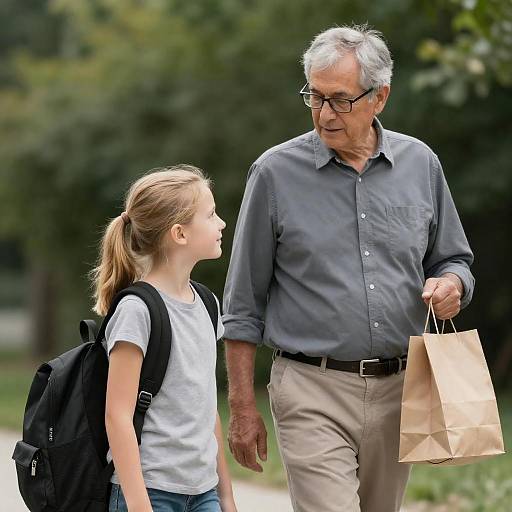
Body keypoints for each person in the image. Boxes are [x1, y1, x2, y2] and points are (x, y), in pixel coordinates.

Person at [222, 24, 475, 512]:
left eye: (339, 100)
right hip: (309, 388)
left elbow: (454, 259)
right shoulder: (274, 174)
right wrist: (241, 407)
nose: (323, 114)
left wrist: (451, 284)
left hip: (402, 389)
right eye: (314, 98)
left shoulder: (421, 163)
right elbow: (242, 303)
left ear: (379, 97)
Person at [91, 166, 237, 512]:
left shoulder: (207, 303)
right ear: (179, 234)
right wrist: (140, 505)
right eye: (211, 214)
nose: (222, 224)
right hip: (150, 493)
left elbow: (206, 408)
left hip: (204, 493)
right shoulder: (136, 311)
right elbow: (117, 416)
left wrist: (226, 496)